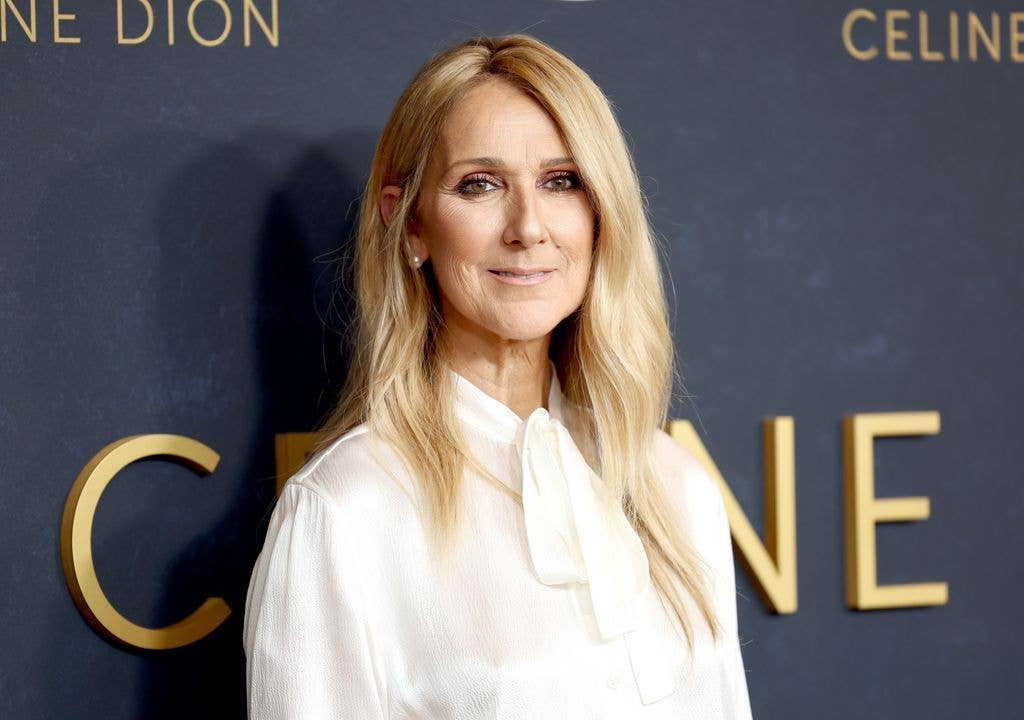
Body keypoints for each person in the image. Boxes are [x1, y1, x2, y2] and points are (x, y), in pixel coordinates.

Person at [243, 33, 754, 719]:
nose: (528, 227)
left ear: (601, 214)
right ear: (411, 225)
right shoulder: (346, 513)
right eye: (479, 185)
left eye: (561, 181)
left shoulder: (674, 486)